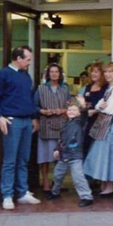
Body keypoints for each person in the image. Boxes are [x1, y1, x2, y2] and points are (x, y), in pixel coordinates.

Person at [0, 45, 41, 210]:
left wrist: (33, 117)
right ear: (18, 59)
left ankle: (23, 192)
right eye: (28, 59)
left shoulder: (26, 77)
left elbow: (29, 99)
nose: (29, 63)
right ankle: (7, 195)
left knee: (23, 159)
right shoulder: (2, 75)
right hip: (12, 121)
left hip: (26, 121)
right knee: (10, 160)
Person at [83, 61, 113, 196]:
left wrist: (100, 106)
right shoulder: (109, 89)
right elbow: (98, 105)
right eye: (106, 72)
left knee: (109, 155)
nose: (107, 74)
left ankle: (110, 186)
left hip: (110, 126)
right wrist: (99, 106)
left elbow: (109, 108)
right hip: (104, 125)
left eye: (111, 72)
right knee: (101, 155)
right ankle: (105, 184)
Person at [46, 98, 94, 207]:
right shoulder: (65, 125)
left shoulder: (80, 122)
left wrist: (83, 105)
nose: (71, 112)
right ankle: (55, 192)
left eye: (74, 110)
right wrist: (57, 149)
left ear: (78, 113)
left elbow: (85, 114)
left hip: (75, 156)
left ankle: (86, 196)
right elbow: (61, 140)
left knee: (78, 177)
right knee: (57, 175)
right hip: (64, 155)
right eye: (69, 110)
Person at [34, 63, 71, 191]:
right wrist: (43, 112)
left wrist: (62, 110)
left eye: (56, 72)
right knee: (45, 157)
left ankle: (57, 183)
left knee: (59, 157)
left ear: (60, 74)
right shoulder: (41, 88)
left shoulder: (65, 88)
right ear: (48, 74)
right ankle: (45, 182)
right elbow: (34, 106)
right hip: (46, 125)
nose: (54, 74)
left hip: (61, 126)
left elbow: (70, 106)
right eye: (52, 72)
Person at [77, 62, 107, 154]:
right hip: (86, 123)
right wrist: (82, 106)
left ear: (102, 73)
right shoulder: (86, 88)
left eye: (96, 72)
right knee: (85, 147)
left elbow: (107, 106)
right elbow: (79, 104)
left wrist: (95, 111)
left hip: (100, 125)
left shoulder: (106, 88)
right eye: (92, 72)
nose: (93, 74)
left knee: (96, 150)